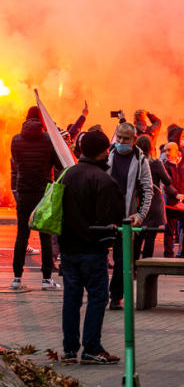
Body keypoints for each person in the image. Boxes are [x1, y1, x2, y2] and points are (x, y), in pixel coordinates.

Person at [59, 129, 124, 364]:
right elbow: (112, 216)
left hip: (68, 248)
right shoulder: (103, 180)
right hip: (92, 249)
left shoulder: (68, 174)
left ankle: (69, 349)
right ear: (104, 151)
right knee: (97, 297)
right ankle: (92, 348)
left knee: (72, 298)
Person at [10, 106, 63, 291]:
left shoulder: (15, 140)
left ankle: (16, 278)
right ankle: (47, 279)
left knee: (21, 236)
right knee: (45, 237)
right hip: (43, 193)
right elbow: (58, 164)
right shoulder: (48, 140)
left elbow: (16, 164)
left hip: (24, 193)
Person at [106, 122, 153, 310]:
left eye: (126, 139)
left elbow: (148, 190)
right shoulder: (107, 154)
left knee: (122, 260)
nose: (121, 141)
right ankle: (100, 293)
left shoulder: (140, 159)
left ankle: (115, 296)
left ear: (134, 140)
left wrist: (140, 215)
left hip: (126, 218)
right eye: (119, 137)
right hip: (104, 216)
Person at [135, 135, 170, 259]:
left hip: (138, 203)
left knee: (137, 238)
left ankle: (133, 267)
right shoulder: (156, 163)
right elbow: (167, 181)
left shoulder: (134, 162)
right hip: (154, 203)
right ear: (151, 148)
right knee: (150, 239)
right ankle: (145, 269)